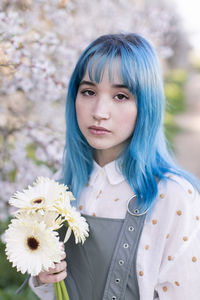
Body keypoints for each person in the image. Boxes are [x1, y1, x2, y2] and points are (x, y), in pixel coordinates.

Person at [30, 33, 200, 299]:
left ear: (146, 105)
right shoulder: (61, 184)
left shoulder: (173, 196)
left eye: (120, 96)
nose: (99, 111)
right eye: (88, 92)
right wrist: (45, 277)